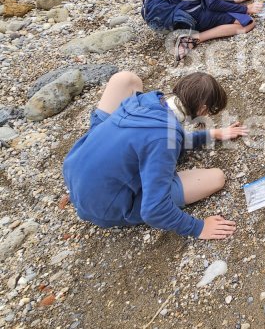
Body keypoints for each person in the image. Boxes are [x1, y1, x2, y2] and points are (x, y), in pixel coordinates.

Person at [63, 71, 248, 239]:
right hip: (103, 207)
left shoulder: (145, 101)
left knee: (127, 80)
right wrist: (198, 228)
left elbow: (163, 137)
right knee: (216, 177)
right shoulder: (165, 136)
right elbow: (154, 209)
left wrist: (213, 134)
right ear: (202, 109)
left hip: (76, 174)